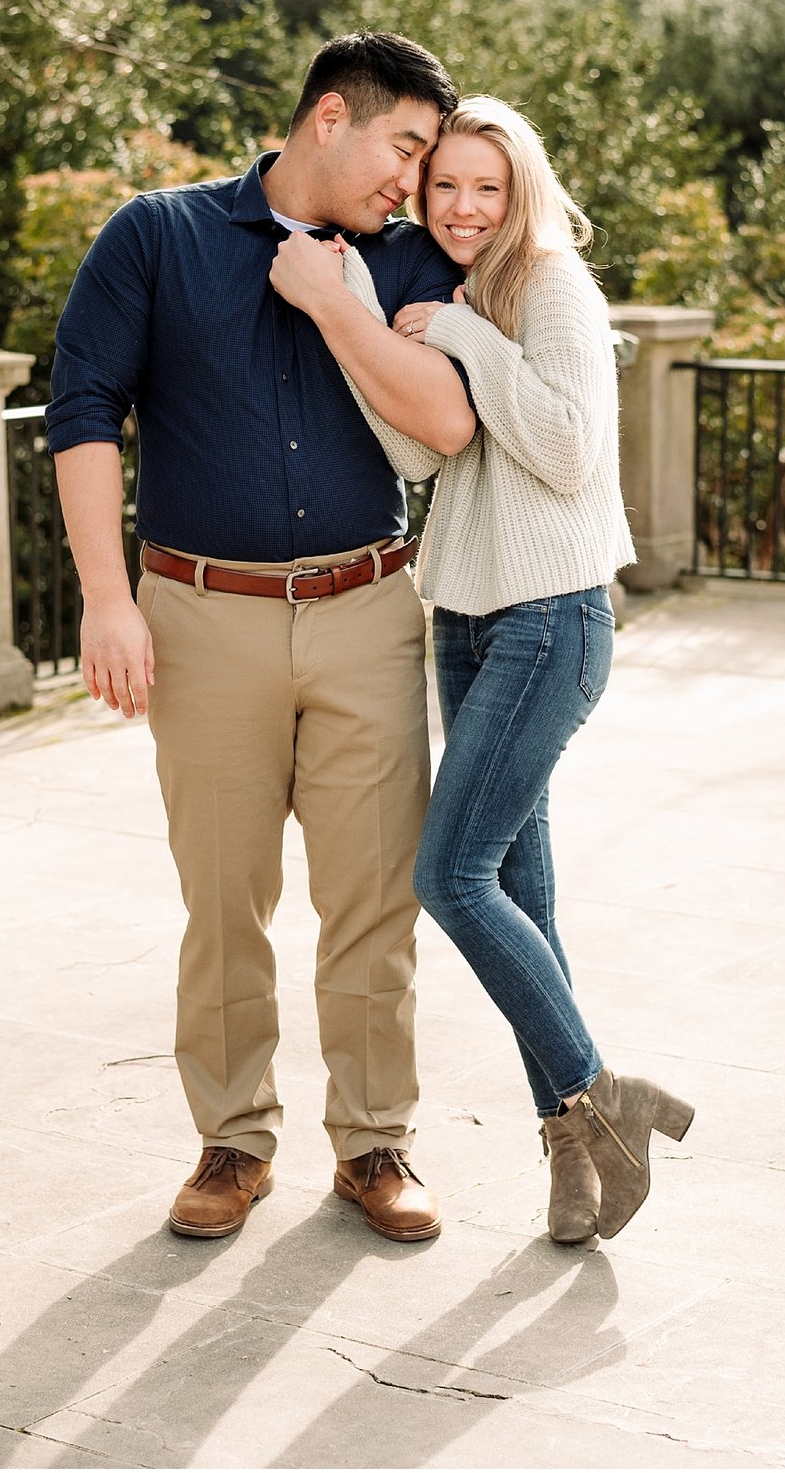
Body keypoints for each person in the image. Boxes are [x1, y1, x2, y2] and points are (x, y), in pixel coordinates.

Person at [49, 32, 473, 1245]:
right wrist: (106, 596)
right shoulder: (158, 234)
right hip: (202, 617)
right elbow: (84, 406)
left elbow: (446, 426)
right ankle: (232, 1140)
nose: (415, 181)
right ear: (329, 115)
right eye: (405, 148)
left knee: (374, 895)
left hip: (367, 608)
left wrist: (350, 305)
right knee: (223, 898)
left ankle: (375, 1137)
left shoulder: (406, 264)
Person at [279, 94, 694, 1245]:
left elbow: (564, 449)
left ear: (522, 194)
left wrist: (461, 336)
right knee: (528, 893)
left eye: (485, 188)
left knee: (451, 875)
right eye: (443, 186)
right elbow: (428, 449)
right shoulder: (459, 295)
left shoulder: (550, 285)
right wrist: (365, 328)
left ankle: (605, 1095)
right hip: (464, 615)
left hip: (549, 620)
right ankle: (576, 1152)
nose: (461, 207)